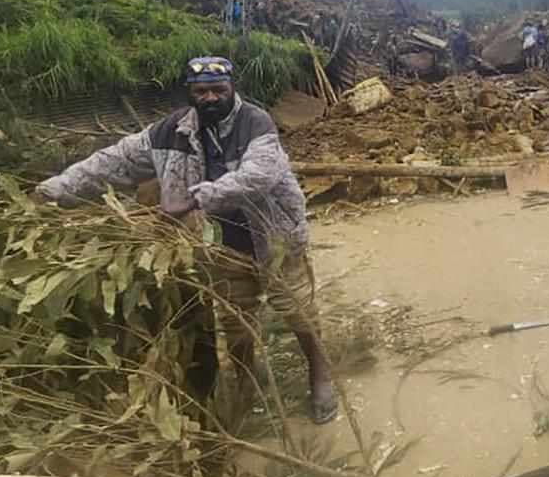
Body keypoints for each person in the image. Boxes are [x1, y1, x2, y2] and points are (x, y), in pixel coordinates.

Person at [36, 57, 338, 423]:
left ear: (232, 89)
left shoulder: (255, 123)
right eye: (201, 91)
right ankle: (247, 384)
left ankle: (320, 375)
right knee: (235, 321)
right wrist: (57, 188)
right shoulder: (169, 132)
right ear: (190, 94)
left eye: (218, 90)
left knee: (297, 309)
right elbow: (113, 161)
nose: (210, 98)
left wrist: (195, 199)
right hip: (219, 244)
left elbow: (259, 176)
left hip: (274, 237)